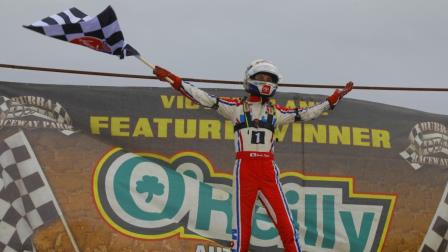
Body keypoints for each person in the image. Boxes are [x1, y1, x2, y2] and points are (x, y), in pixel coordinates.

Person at [152, 59, 353, 252]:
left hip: (268, 172)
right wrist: (173, 80)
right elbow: (203, 97)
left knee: (287, 228)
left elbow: (307, 113)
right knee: (241, 234)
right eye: (262, 76)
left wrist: (331, 101)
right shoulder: (236, 107)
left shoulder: (277, 112)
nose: (266, 82)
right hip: (244, 171)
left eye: (270, 78)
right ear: (250, 79)